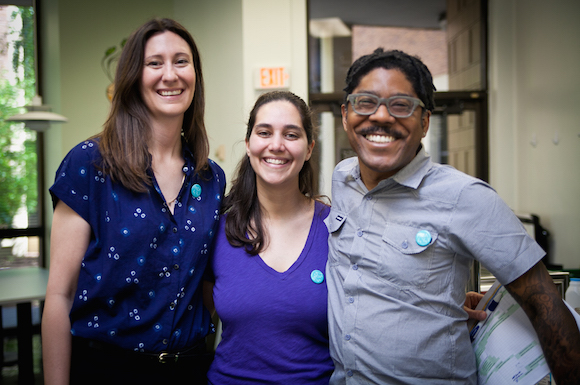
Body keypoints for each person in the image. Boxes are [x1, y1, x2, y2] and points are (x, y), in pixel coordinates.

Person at [325, 48, 580, 384]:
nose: (382, 116)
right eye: (366, 102)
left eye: (401, 105)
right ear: (346, 115)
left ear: (425, 121)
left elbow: (544, 304)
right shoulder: (343, 178)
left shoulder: (466, 197)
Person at [42, 18, 225, 384]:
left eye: (181, 61)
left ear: (196, 76)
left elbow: (211, 292)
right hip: (106, 370)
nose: (170, 75)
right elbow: (59, 297)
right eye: (154, 63)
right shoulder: (89, 165)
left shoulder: (211, 178)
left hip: (191, 370)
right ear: (132, 77)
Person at [204, 91, 335, 384]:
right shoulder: (217, 230)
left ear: (309, 147)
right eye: (264, 132)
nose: (276, 145)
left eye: (291, 134)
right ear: (249, 144)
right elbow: (195, 322)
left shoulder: (336, 229)